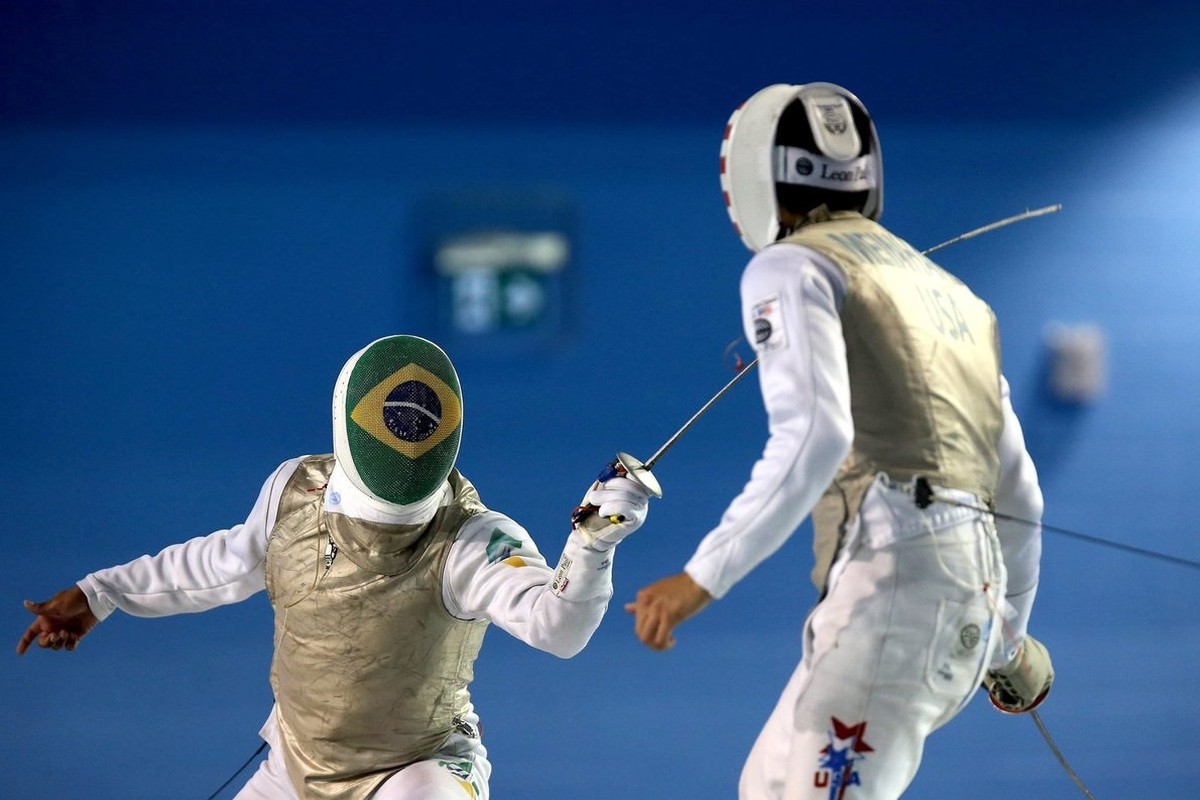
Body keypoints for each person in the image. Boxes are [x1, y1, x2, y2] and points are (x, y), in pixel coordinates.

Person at [625, 83, 1053, 799]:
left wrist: (699, 579)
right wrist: (1004, 638)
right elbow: (1019, 494)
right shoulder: (962, 302)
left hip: (895, 596)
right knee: (765, 787)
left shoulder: (792, 266)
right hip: (942, 605)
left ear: (757, 178)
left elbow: (816, 434)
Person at [18, 334, 653, 800]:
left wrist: (592, 542)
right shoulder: (296, 492)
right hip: (296, 763)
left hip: (416, 770)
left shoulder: (472, 540)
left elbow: (558, 628)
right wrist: (101, 593)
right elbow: (221, 564)